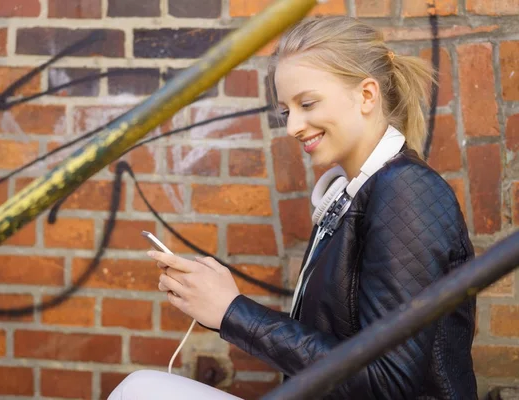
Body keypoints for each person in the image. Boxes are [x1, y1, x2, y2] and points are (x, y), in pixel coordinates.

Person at [108, 15, 477, 399]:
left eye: (308, 103)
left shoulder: (406, 190)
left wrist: (233, 312)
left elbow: (389, 382)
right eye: (286, 110)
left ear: (367, 95)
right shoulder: (353, 192)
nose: (292, 126)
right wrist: (221, 303)